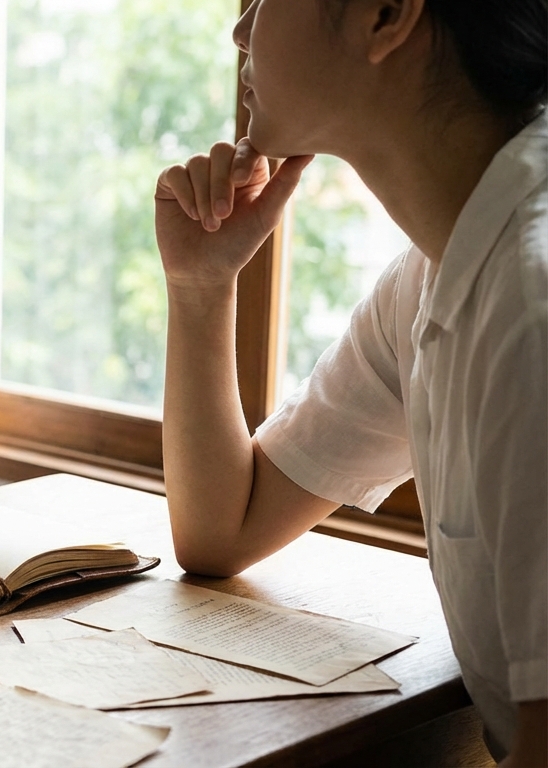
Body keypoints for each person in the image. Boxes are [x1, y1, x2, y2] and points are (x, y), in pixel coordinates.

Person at [154, 0, 545, 762]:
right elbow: (222, 529)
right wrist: (201, 288)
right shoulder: (436, 276)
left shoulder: (529, 307)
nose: (241, 30)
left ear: (386, 15)